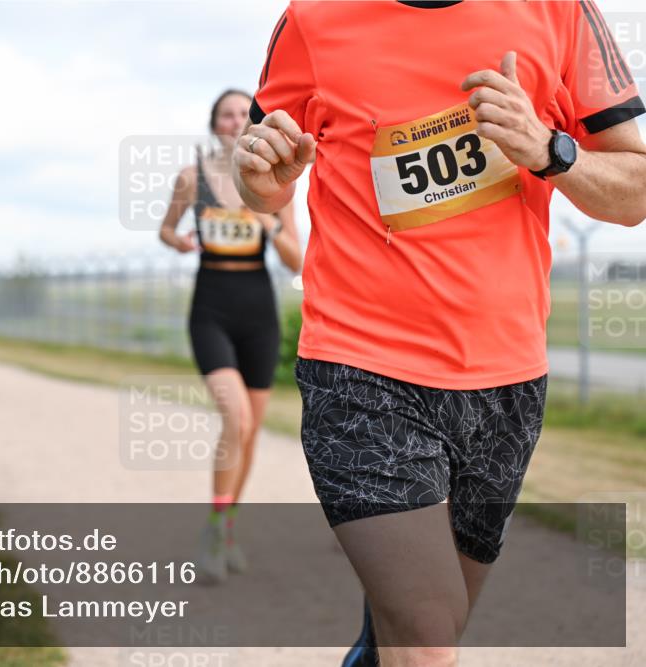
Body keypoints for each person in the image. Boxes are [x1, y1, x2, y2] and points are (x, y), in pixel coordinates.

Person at [236, 2, 645, 665]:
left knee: (417, 630)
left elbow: (636, 190)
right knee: (426, 639)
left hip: (505, 382)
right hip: (359, 369)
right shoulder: (314, 19)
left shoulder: (561, 11)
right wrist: (258, 180)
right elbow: (261, 175)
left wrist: (548, 149)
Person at [160, 89, 302, 584]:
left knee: (250, 431)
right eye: (227, 113)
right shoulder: (191, 177)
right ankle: (217, 529)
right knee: (235, 417)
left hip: (260, 316)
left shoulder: (275, 184)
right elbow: (165, 229)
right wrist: (177, 240)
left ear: (253, 123)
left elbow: (296, 261)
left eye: (245, 113)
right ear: (215, 123)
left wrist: (268, 222)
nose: (237, 120)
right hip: (210, 311)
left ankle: (226, 527)